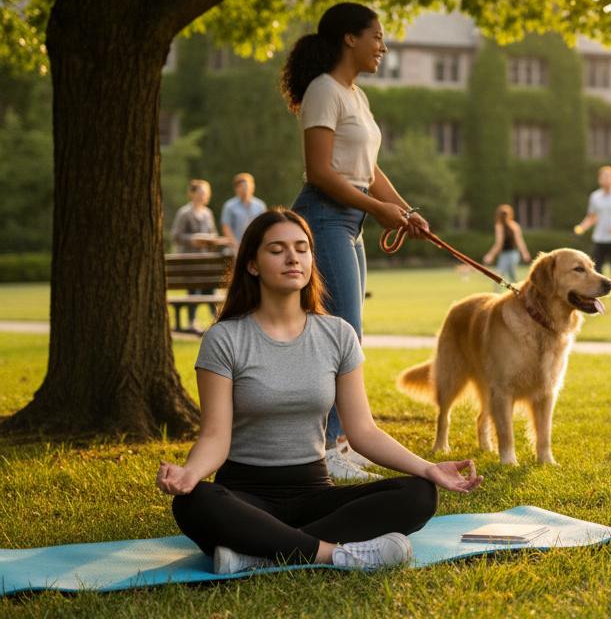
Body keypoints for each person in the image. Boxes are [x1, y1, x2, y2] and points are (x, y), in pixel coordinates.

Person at [158, 209, 482, 575]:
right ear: (252, 264)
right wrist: (190, 474)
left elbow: (363, 432)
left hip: (315, 491)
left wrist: (428, 469)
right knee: (194, 502)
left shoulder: (337, 335)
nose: (292, 257)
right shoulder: (224, 339)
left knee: (419, 494)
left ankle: (258, 552)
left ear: (312, 259)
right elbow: (215, 436)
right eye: (277, 250)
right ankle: (333, 554)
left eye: (301, 248)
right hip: (245, 494)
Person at [281, 2, 431, 481]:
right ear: (350, 38)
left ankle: (342, 441)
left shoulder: (355, 96)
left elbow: (370, 169)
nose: (382, 47)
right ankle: (324, 449)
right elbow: (323, 172)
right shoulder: (324, 90)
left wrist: (404, 211)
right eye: (376, 37)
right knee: (339, 337)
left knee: (350, 336)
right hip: (324, 218)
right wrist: (380, 210)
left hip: (351, 222)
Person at [171, 179, 231, 332]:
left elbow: (213, 234)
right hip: (191, 262)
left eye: (206, 193)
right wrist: (193, 239)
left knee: (210, 289)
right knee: (194, 290)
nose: (204, 196)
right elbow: (176, 236)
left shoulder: (207, 213)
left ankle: (215, 320)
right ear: (192, 194)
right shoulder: (184, 213)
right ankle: (193, 321)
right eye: (201, 192)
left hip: (206, 262)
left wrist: (211, 240)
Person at [572, 165, 611, 307]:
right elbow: (592, 217)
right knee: (595, 270)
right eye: (603, 176)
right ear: (599, 179)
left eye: (609, 176)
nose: (606, 179)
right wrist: (582, 227)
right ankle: (596, 299)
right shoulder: (595, 196)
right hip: (599, 239)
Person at [483, 204, 530, 284]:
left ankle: (498, 294)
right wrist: (525, 253)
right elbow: (520, 242)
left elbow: (499, 244)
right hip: (513, 254)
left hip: (506, 254)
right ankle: (517, 293)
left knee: (499, 277)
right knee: (511, 277)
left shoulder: (500, 226)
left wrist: (490, 255)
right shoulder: (514, 225)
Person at [221, 172, 268, 251]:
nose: (246, 189)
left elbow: (265, 226)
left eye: (248, 186)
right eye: (243, 187)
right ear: (237, 188)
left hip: (256, 246)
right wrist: (235, 245)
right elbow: (226, 227)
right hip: (235, 248)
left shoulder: (260, 205)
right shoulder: (229, 206)